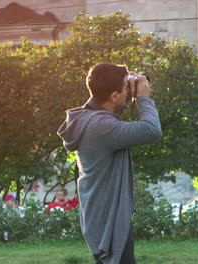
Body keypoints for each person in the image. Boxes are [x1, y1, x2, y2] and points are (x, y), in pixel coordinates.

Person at [57, 63, 162, 264]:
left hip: (103, 217)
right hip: (110, 224)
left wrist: (126, 87)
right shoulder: (101, 126)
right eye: (124, 89)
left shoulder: (90, 119)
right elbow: (151, 130)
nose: (127, 93)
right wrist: (143, 98)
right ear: (114, 96)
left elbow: (117, 118)